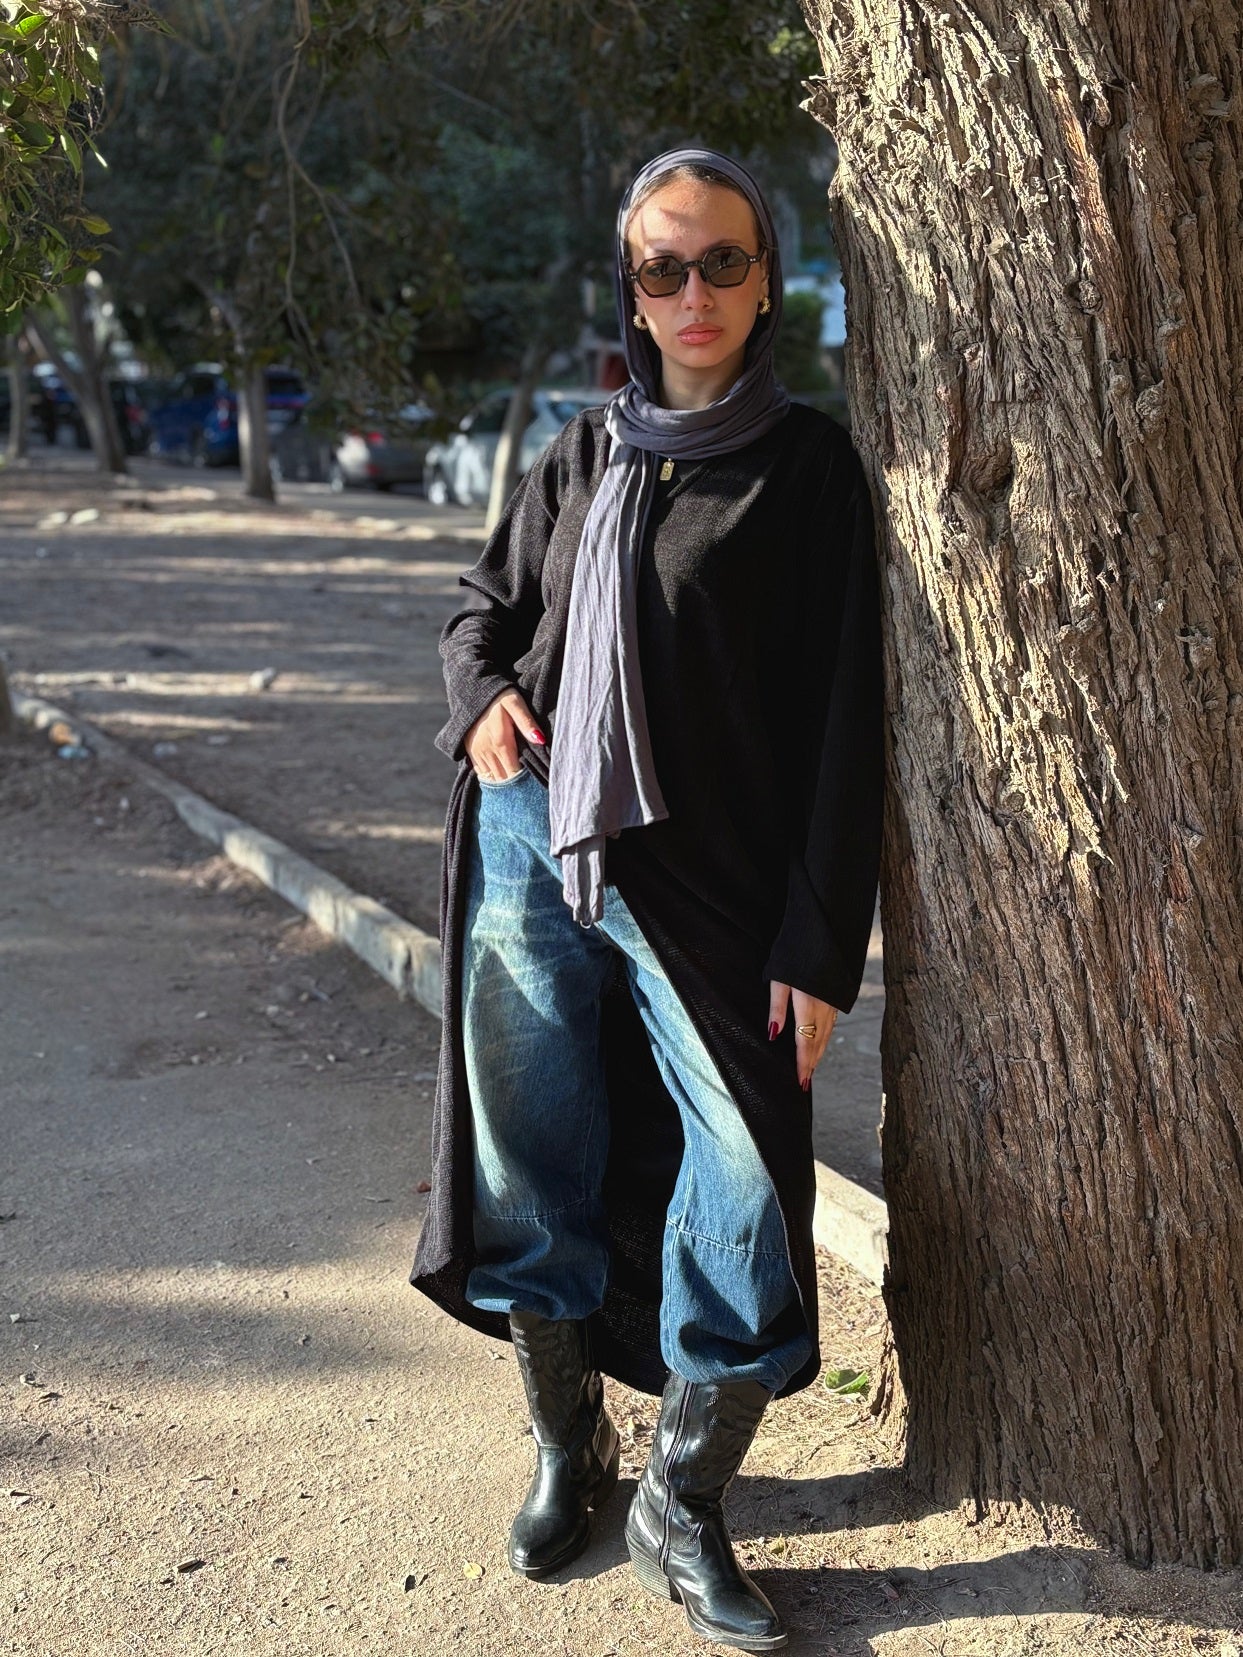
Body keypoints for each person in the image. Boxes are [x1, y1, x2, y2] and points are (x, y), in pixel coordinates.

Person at [411, 145, 883, 1655]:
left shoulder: (807, 470)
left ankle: (684, 1496)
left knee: (743, 1170)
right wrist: (482, 702)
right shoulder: (579, 453)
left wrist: (821, 937)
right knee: (529, 1141)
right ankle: (571, 1446)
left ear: (766, 279)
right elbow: (484, 612)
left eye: (723, 262)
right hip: (529, 838)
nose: (694, 293)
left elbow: (846, 724)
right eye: (663, 268)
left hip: (714, 890)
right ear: (633, 286)